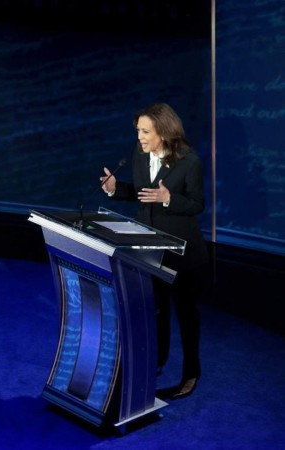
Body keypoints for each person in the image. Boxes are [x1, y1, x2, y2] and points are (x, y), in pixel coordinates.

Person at [100, 102, 208, 400]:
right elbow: (141, 193)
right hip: (149, 247)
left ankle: (191, 373)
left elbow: (198, 205)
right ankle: (157, 362)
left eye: (146, 132)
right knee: (157, 309)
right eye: (138, 131)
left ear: (163, 131)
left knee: (186, 314)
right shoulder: (140, 154)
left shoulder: (190, 162)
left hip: (182, 253)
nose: (140, 138)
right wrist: (114, 189)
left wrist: (169, 198)